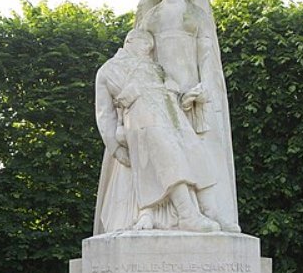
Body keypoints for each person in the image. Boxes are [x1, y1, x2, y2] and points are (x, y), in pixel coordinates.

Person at [135, 0, 241, 232]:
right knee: (169, 153)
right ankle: (173, 214)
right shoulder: (151, 17)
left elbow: (207, 55)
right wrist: (160, 86)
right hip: (162, 95)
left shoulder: (197, 15)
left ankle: (211, 211)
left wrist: (205, 85)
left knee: (201, 152)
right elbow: (142, 57)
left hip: (195, 94)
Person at [93, 29, 220, 234]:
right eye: (146, 46)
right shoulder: (109, 70)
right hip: (140, 120)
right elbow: (104, 114)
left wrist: (186, 100)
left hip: (172, 118)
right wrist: (116, 149)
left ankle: (209, 210)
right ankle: (187, 214)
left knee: (195, 149)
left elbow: (172, 96)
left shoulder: (155, 67)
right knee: (168, 152)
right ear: (130, 42)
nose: (149, 51)